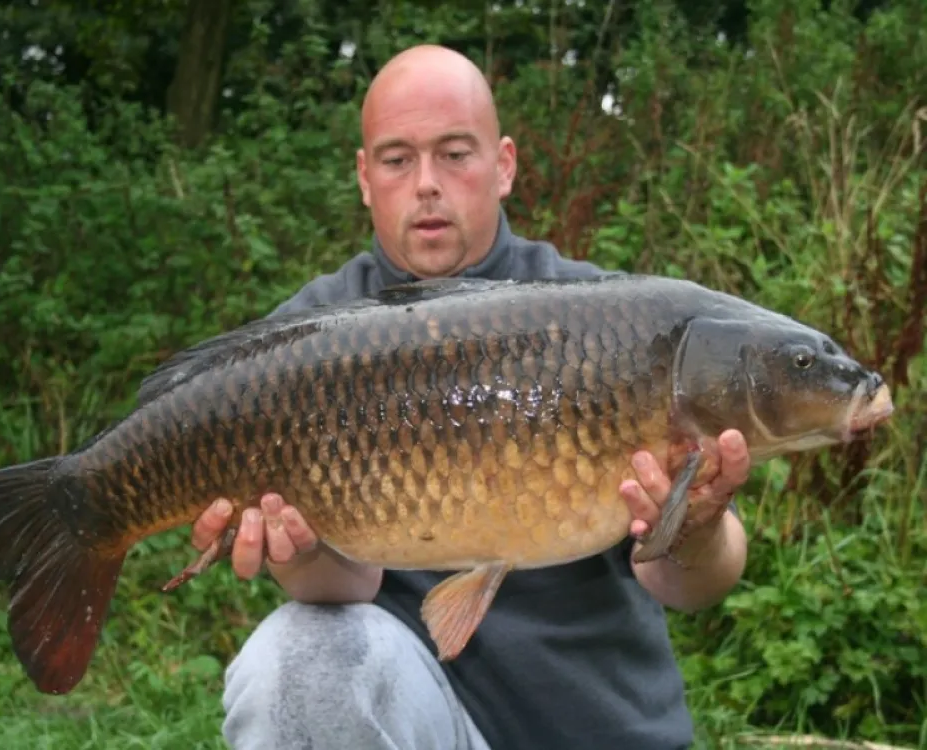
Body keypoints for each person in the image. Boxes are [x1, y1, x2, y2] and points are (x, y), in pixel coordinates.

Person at [196, 44, 750, 749]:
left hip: (601, 730)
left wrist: (695, 529)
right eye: (398, 160)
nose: (427, 184)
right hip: (419, 721)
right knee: (293, 657)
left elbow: (698, 586)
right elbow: (347, 587)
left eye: (455, 153)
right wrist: (299, 553)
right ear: (366, 178)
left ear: (505, 164)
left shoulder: (609, 320)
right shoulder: (302, 345)